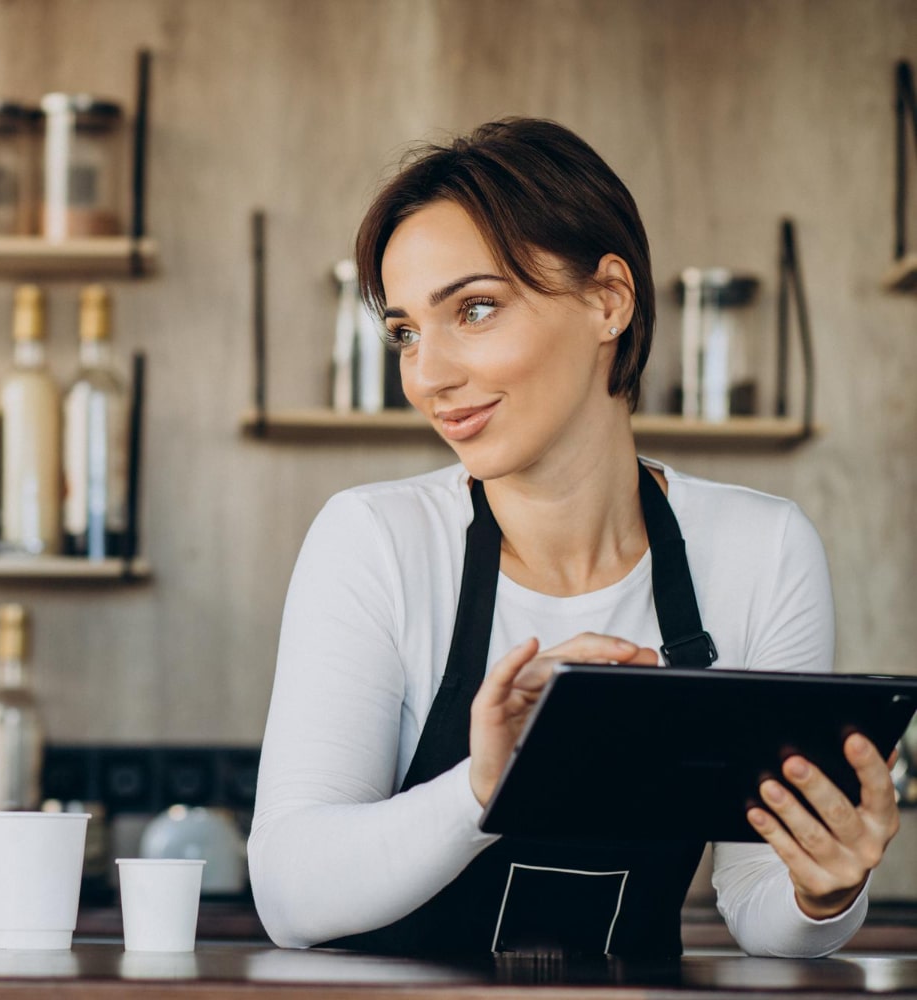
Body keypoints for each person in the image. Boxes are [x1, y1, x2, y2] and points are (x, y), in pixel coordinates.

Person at [248, 118, 897, 960]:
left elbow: (757, 900)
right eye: (406, 331)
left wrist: (827, 887)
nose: (427, 375)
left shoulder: (760, 550)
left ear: (608, 301)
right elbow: (291, 895)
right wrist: (483, 788)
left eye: (474, 310)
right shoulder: (374, 540)